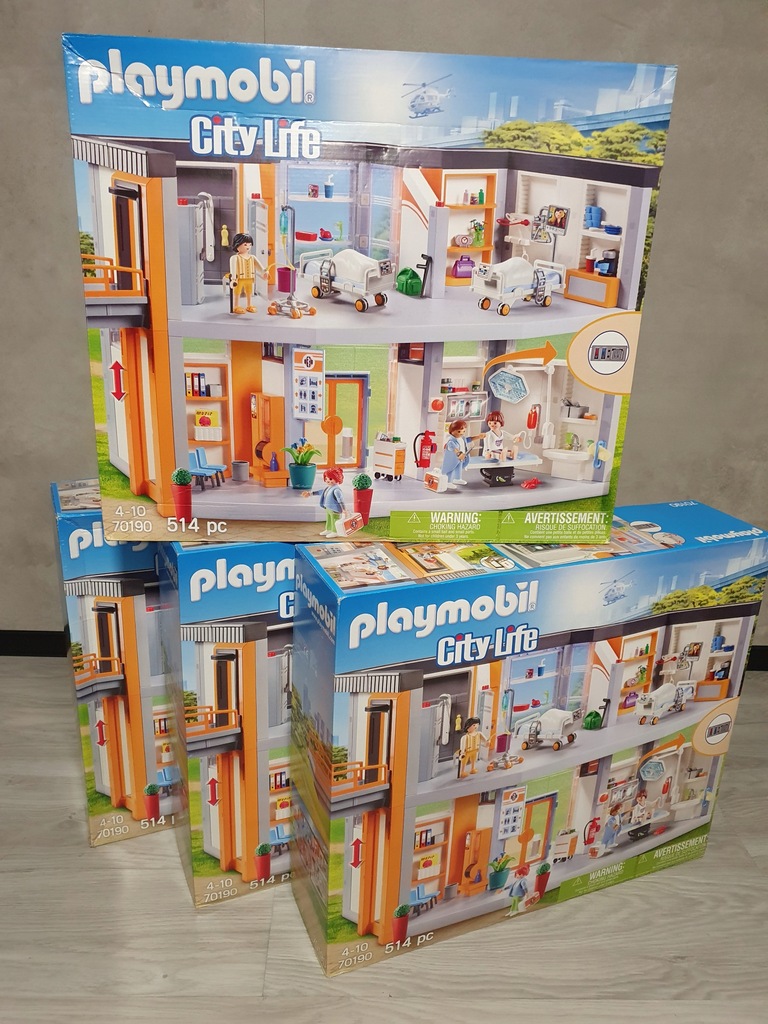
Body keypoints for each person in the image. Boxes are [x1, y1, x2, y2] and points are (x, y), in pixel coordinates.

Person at [229, 232, 262, 314]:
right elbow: (233, 269)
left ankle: (249, 305)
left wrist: (264, 272)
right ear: (237, 245)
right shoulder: (235, 258)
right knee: (237, 292)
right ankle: (236, 306)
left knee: (249, 291)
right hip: (239, 279)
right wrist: (233, 279)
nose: (248, 246)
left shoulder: (252, 257)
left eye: (250, 244)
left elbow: (259, 267)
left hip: (250, 278)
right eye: (245, 244)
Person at [442, 419, 474, 490]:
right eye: (459, 431)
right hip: (453, 459)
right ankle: (448, 482)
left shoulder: (462, 438)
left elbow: (468, 439)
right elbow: (454, 448)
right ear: (452, 431)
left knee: (459, 468)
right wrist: (459, 454)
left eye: (463, 431)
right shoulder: (451, 441)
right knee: (450, 469)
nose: (461, 433)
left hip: (460, 458)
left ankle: (457, 478)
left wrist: (478, 437)